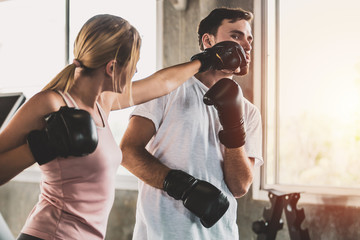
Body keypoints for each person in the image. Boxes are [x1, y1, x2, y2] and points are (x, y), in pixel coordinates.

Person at [0, 14, 244, 240]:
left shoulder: (104, 103)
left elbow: (162, 82)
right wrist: (42, 146)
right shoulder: (52, 103)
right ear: (112, 68)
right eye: (134, 63)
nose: (136, 71)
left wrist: (207, 60)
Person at [120, 7, 263, 240]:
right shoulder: (169, 89)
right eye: (236, 36)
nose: (246, 46)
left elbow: (239, 187)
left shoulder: (250, 112)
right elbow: (127, 152)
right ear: (208, 41)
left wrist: (233, 126)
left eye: (249, 40)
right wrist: (182, 186)